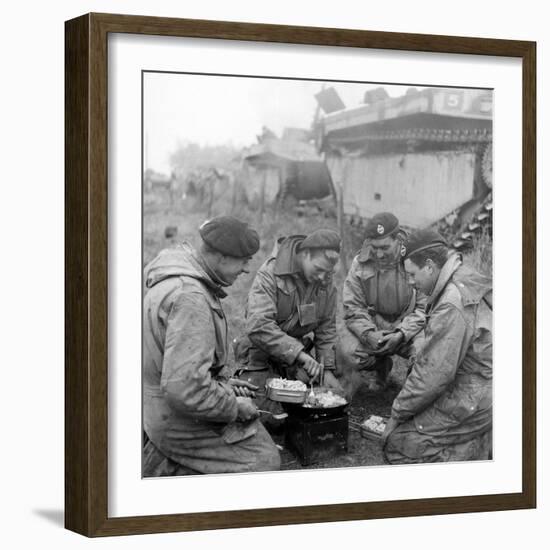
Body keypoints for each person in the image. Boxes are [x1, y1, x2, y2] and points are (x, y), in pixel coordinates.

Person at [142, 215, 280, 476]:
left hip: (156, 403)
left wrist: (222, 384)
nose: (246, 269)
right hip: (173, 417)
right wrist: (233, 406)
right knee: (264, 460)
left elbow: (172, 364)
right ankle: (170, 472)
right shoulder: (191, 298)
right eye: (243, 260)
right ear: (222, 257)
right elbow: (185, 390)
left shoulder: (175, 275)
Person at [381, 228, 492, 464]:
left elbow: (432, 376)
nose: (411, 283)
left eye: (412, 275)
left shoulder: (452, 302)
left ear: (430, 266)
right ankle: (475, 442)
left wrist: (395, 415)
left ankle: (470, 458)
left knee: (399, 444)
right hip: (484, 382)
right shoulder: (460, 273)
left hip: (478, 392)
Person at [234, 229, 345, 420]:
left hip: (293, 358)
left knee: (313, 402)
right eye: (318, 269)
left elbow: (326, 330)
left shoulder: (325, 282)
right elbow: (259, 325)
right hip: (259, 353)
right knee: (271, 418)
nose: (322, 277)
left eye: (328, 272)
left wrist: (326, 370)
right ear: (304, 254)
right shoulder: (270, 273)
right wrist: (300, 354)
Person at [339, 212, 426, 392]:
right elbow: (353, 306)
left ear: (398, 239)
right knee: (346, 351)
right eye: (374, 247)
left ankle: (413, 392)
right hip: (374, 324)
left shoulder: (415, 259)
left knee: (425, 352)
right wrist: (368, 334)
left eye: (385, 247)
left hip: (409, 325)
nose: (379, 254)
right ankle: (380, 367)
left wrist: (402, 334)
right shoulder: (360, 262)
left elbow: (425, 308)